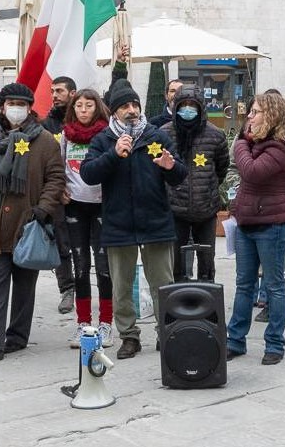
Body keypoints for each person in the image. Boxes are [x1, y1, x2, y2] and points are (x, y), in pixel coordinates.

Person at [80, 83, 186, 359]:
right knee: (122, 286)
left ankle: (168, 332)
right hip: (118, 224)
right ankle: (129, 336)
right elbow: (89, 174)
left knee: (163, 283)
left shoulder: (155, 136)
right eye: (125, 106)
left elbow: (180, 173)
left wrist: (170, 167)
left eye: (135, 105)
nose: (132, 111)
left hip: (156, 222)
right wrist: (114, 154)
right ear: (114, 112)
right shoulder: (104, 139)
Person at [0, 83, 65, 361]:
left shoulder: (44, 141)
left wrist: (43, 208)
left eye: (21, 104)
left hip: (28, 223)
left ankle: (17, 336)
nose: (16, 109)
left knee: (24, 284)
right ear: (2, 107)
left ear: (30, 108)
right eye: (11, 103)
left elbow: (56, 178)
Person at [225, 92, 285, 365]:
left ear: (270, 115)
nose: (250, 116)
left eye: (256, 111)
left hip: (272, 224)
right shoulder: (254, 140)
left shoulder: (280, 147)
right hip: (247, 221)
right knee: (244, 284)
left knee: (274, 286)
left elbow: (252, 172)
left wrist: (242, 143)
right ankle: (235, 340)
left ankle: (275, 344)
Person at [60, 88, 113, 346]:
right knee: (80, 267)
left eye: (88, 106)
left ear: (97, 108)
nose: (83, 110)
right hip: (75, 207)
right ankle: (83, 324)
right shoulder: (66, 136)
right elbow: (58, 169)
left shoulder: (107, 135)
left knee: (104, 268)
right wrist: (60, 189)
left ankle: (106, 323)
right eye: (79, 105)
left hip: (102, 206)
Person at [160, 86, 230, 284]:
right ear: (176, 108)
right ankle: (178, 300)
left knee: (207, 262)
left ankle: (207, 299)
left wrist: (209, 188)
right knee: (175, 263)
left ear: (201, 108)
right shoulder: (164, 134)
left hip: (206, 209)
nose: (188, 110)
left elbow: (222, 168)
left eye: (193, 105)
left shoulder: (216, 135)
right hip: (175, 209)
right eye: (184, 106)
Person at [41, 75, 77, 314]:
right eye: (52, 91)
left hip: (85, 194)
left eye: (60, 91)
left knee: (85, 246)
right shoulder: (46, 125)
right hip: (58, 196)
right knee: (62, 245)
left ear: (72, 93)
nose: (54, 95)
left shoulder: (84, 122)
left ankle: (87, 287)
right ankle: (67, 289)